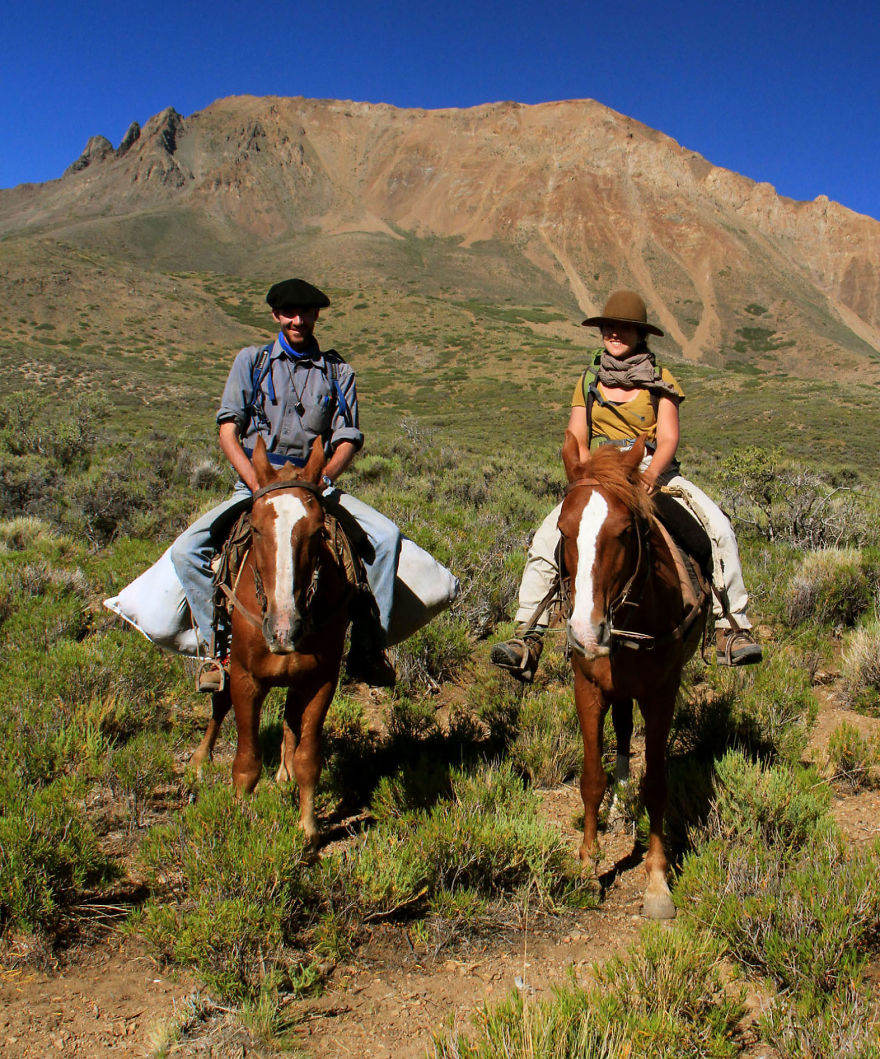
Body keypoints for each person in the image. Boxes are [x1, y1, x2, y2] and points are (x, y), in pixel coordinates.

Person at [491, 289, 762, 681]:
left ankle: (731, 627)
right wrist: (586, 476)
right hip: (600, 472)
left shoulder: (660, 381)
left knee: (717, 528)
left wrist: (651, 476)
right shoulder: (588, 380)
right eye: (608, 327)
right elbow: (576, 436)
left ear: (640, 334)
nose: (614, 333)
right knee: (546, 538)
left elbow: (667, 438)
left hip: (652, 470)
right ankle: (527, 635)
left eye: (623, 328)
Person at [171, 277, 400, 692]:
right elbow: (228, 429)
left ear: (316, 316)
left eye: (306, 312)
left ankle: (370, 649)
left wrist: (324, 478)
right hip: (259, 483)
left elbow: (348, 436)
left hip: (315, 484)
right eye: (289, 313)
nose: (298, 320)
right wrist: (255, 482)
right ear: (277, 316)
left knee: (386, 539)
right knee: (188, 550)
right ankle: (216, 651)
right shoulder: (252, 362)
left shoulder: (338, 371)